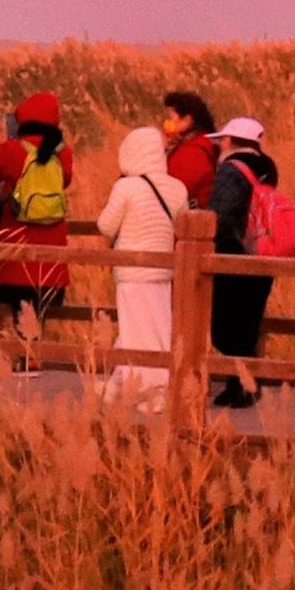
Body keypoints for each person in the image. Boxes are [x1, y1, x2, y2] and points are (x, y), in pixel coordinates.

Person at [96, 116, 190, 401]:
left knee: (137, 329)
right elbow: (182, 225)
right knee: (153, 325)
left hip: (132, 270)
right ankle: (122, 382)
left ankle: (154, 390)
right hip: (163, 269)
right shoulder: (177, 188)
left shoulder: (126, 187)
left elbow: (106, 225)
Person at [198, 115, 286, 407]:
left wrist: (206, 233)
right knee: (247, 322)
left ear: (229, 141)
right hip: (262, 252)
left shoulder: (231, 170)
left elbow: (221, 215)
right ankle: (242, 385)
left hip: (233, 254)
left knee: (224, 324)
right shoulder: (266, 170)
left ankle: (242, 384)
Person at [0, 94, 75, 331]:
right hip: (51, 257)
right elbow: (66, 181)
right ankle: (32, 359)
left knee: (13, 318)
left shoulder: (9, 151)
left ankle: (21, 360)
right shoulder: (63, 154)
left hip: (14, 250)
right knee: (36, 317)